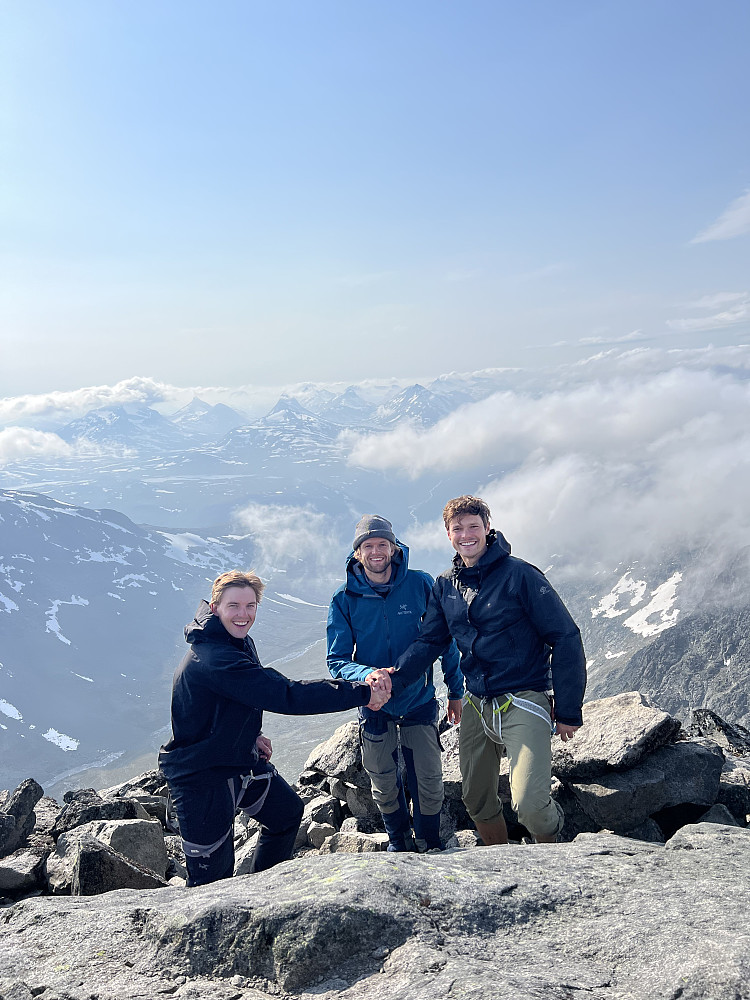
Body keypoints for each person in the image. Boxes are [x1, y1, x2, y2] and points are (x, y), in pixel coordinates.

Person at [159, 569, 389, 886]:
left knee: (286, 814)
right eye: (234, 606)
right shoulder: (214, 657)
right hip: (201, 776)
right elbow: (285, 694)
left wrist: (251, 733)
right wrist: (363, 691)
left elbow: (234, 698)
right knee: (212, 881)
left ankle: (263, 891)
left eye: (250, 606)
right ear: (215, 609)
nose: (243, 615)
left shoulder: (234, 640)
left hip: (237, 758)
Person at [388, 496, 586, 845]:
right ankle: (501, 864)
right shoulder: (446, 585)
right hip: (478, 702)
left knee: (531, 805)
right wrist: (392, 679)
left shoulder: (520, 575)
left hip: (523, 697)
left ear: (487, 528)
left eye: (473, 526)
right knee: (476, 799)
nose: (466, 534)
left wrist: (568, 709)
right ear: (448, 534)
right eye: (457, 528)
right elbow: (430, 642)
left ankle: (554, 859)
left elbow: (565, 637)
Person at [327, 515, 464, 852]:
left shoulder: (420, 584)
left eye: (382, 544)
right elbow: (337, 660)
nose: (376, 551)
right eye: (368, 546)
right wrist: (367, 675)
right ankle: (399, 843)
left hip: (418, 700)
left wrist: (455, 691)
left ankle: (430, 842)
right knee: (383, 783)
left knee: (430, 781)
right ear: (357, 552)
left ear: (393, 547)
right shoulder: (344, 598)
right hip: (374, 705)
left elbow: (443, 640)